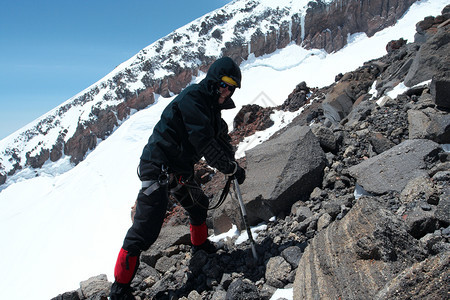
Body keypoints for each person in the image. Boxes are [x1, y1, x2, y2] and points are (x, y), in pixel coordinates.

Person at [110, 57, 246, 299]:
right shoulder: (194, 99)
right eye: (224, 84)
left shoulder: (212, 110)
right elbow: (204, 142)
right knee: (146, 229)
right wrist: (229, 168)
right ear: (214, 80)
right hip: (158, 166)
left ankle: (200, 246)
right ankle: (119, 288)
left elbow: (221, 139)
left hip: (179, 169)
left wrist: (232, 162)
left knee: (198, 205)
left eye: (232, 86)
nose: (227, 90)